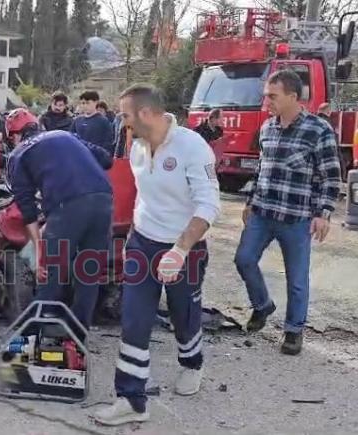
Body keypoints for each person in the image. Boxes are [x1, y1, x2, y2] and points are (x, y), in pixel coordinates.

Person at [92, 84, 220, 426]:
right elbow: (143, 198)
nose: (122, 122)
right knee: (134, 320)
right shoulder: (136, 147)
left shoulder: (193, 147)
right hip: (142, 245)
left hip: (184, 249)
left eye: (126, 114)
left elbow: (209, 205)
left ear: (147, 113)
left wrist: (180, 250)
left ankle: (192, 362)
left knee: (183, 314)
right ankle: (131, 399)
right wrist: (133, 235)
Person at [234, 70, 341, 356]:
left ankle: (293, 330)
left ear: (293, 97)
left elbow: (331, 177)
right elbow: (261, 169)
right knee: (243, 260)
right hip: (263, 212)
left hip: (296, 218)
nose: (266, 101)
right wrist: (250, 201)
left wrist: (324, 213)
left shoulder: (319, 130)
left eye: (272, 96)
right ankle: (262, 305)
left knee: (296, 278)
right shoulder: (267, 128)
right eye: (266, 95)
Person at [6, 108, 114, 328]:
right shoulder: (65, 135)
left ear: (15, 136)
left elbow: (28, 210)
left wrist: (38, 253)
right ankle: (77, 336)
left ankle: (29, 336)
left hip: (68, 206)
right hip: (104, 200)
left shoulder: (18, 154)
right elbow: (106, 159)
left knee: (52, 273)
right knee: (88, 272)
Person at [71, 91, 115, 155]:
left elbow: (107, 145)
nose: (85, 106)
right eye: (83, 103)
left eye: (88, 103)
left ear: (96, 102)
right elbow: (71, 140)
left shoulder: (103, 121)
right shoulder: (77, 121)